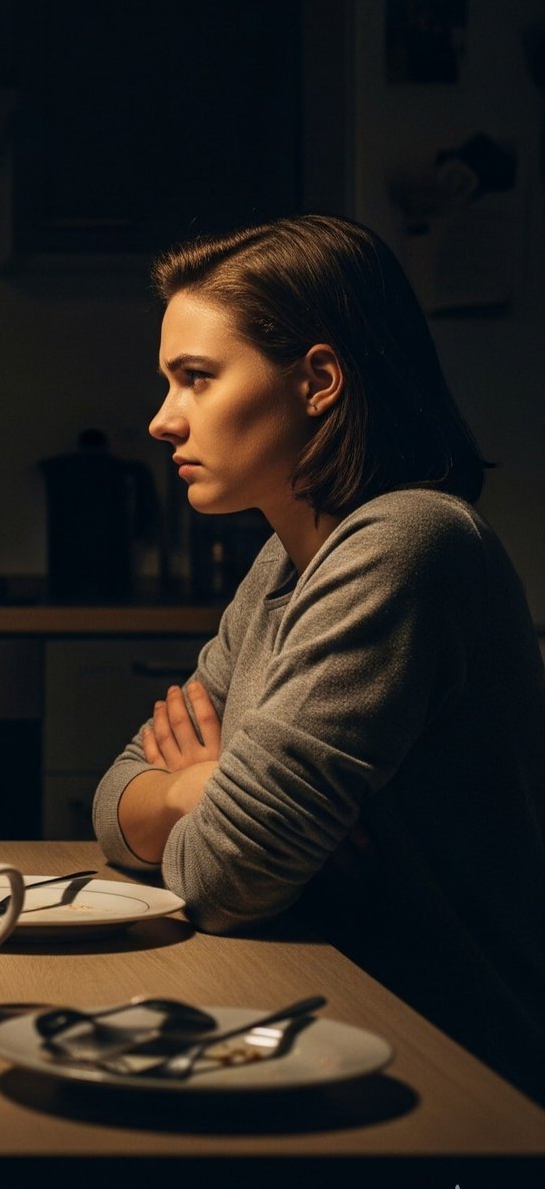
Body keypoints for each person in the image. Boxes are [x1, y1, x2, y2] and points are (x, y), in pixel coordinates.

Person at [92, 213, 545, 1103]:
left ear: (319, 381)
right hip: (326, 1020)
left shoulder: (406, 544)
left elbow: (225, 878)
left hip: (459, 1071)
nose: (161, 419)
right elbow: (114, 802)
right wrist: (198, 790)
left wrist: (212, 798)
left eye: (197, 378)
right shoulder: (283, 565)